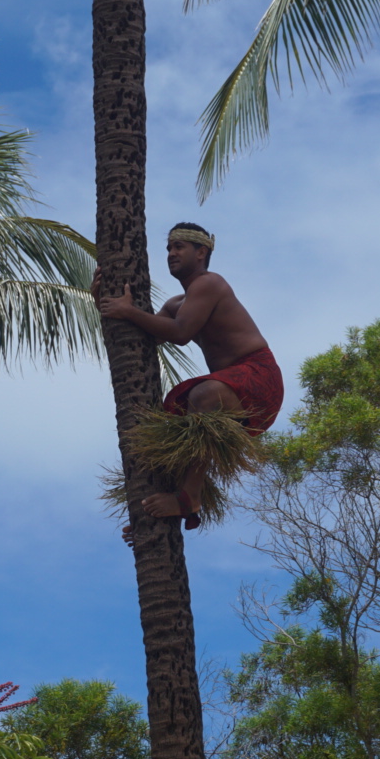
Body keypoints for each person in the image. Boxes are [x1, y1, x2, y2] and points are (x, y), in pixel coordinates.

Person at [95, 222, 283, 531]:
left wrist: (128, 311)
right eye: (168, 248)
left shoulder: (211, 283)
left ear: (202, 252)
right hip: (232, 386)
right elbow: (137, 342)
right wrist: (102, 300)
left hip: (259, 378)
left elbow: (181, 334)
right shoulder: (175, 305)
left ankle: (189, 496)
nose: (171, 253)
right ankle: (151, 523)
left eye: (179, 247)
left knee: (202, 396)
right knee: (173, 438)